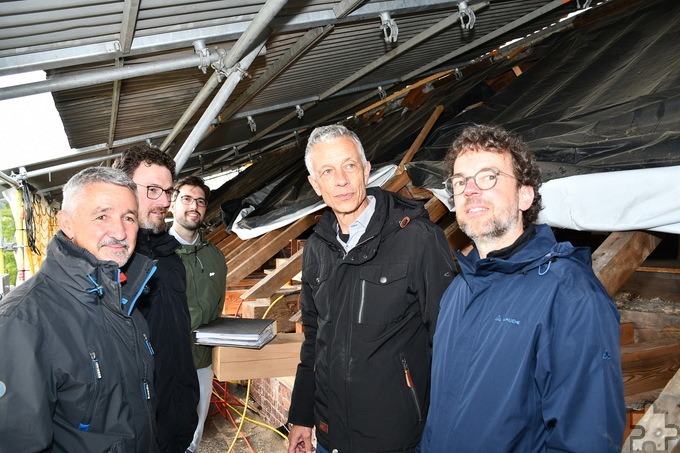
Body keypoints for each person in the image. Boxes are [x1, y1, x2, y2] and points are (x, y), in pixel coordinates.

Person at [418, 124, 625, 452]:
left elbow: (586, 440)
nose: (470, 190)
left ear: (525, 195)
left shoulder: (569, 295)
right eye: (460, 181)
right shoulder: (460, 290)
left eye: (488, 176)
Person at [287, 125, 456, 453]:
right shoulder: (317, 249)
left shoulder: (417, 239)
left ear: (366, 171)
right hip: (329, 436)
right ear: (315, 184)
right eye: (327, 171)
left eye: (349, 165)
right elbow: (313, 342)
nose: (341, 180)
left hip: (395, 440)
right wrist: (303, 416)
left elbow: (449, 343)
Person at [0, 167, 159, 452]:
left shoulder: (125, 301)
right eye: (102, 216)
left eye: (129, 217)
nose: (120, 231)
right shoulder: (22, 320)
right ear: (67, 223)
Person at [113, 145, 200, 453]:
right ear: (122, 190)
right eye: (152, 190)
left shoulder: (170, 258)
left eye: (167, 191)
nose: (164, 201)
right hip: (138, 433)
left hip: (177, 421)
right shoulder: (110, 264)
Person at [169, 175, 227, 453]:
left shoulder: (214, 256)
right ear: (172, 203)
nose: (194, 206)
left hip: (202, 361)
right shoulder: (158, 254)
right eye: (187, 199)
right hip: (167, 361)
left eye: (200, 201)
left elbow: (217, 307)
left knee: (194, 435)